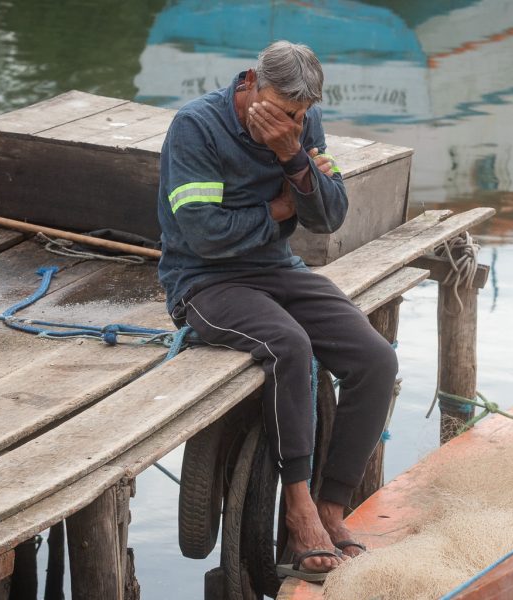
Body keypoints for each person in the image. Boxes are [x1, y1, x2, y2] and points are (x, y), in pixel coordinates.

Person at [155, 40, 397, 580]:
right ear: (252, 86)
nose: (297, 122)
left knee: (375, 360)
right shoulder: (197, 127)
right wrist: (279, 207)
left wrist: (293, 156)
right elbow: (203, 234)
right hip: (203, 281)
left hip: (277, 269)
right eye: (288, 113)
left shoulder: (300, 126)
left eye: (304, 114)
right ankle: (299, 505)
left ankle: (333, 505)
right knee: (290, 346)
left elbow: (330, 217)